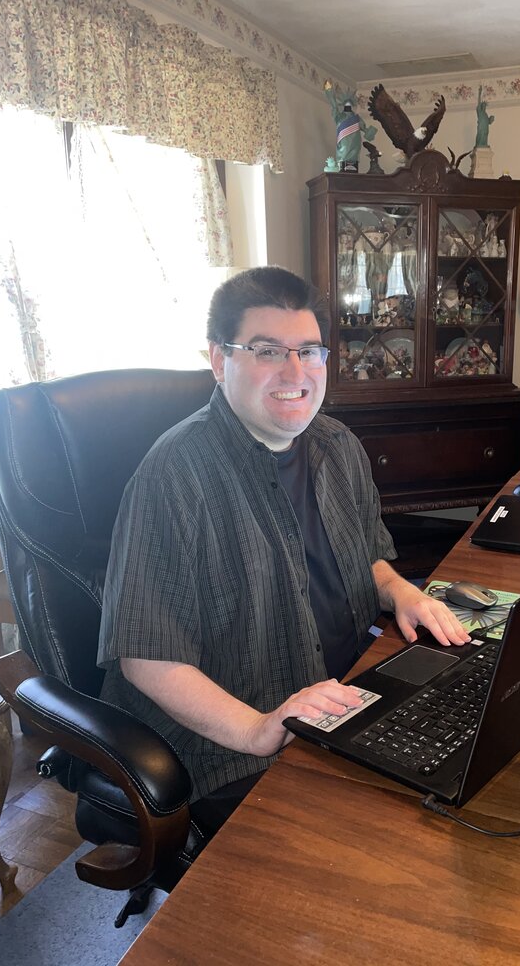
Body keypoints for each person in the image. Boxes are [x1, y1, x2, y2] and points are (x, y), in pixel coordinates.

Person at [97, 266, 467, 837]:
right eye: (268, 351)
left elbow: (366, 554)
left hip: (347, 693)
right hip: (233, 740)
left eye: (310, 351)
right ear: (220, 362)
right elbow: (146, 657)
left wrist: (399, 592)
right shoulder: (174, 475)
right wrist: (259, 728)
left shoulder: (337, 446)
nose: (297, 372)